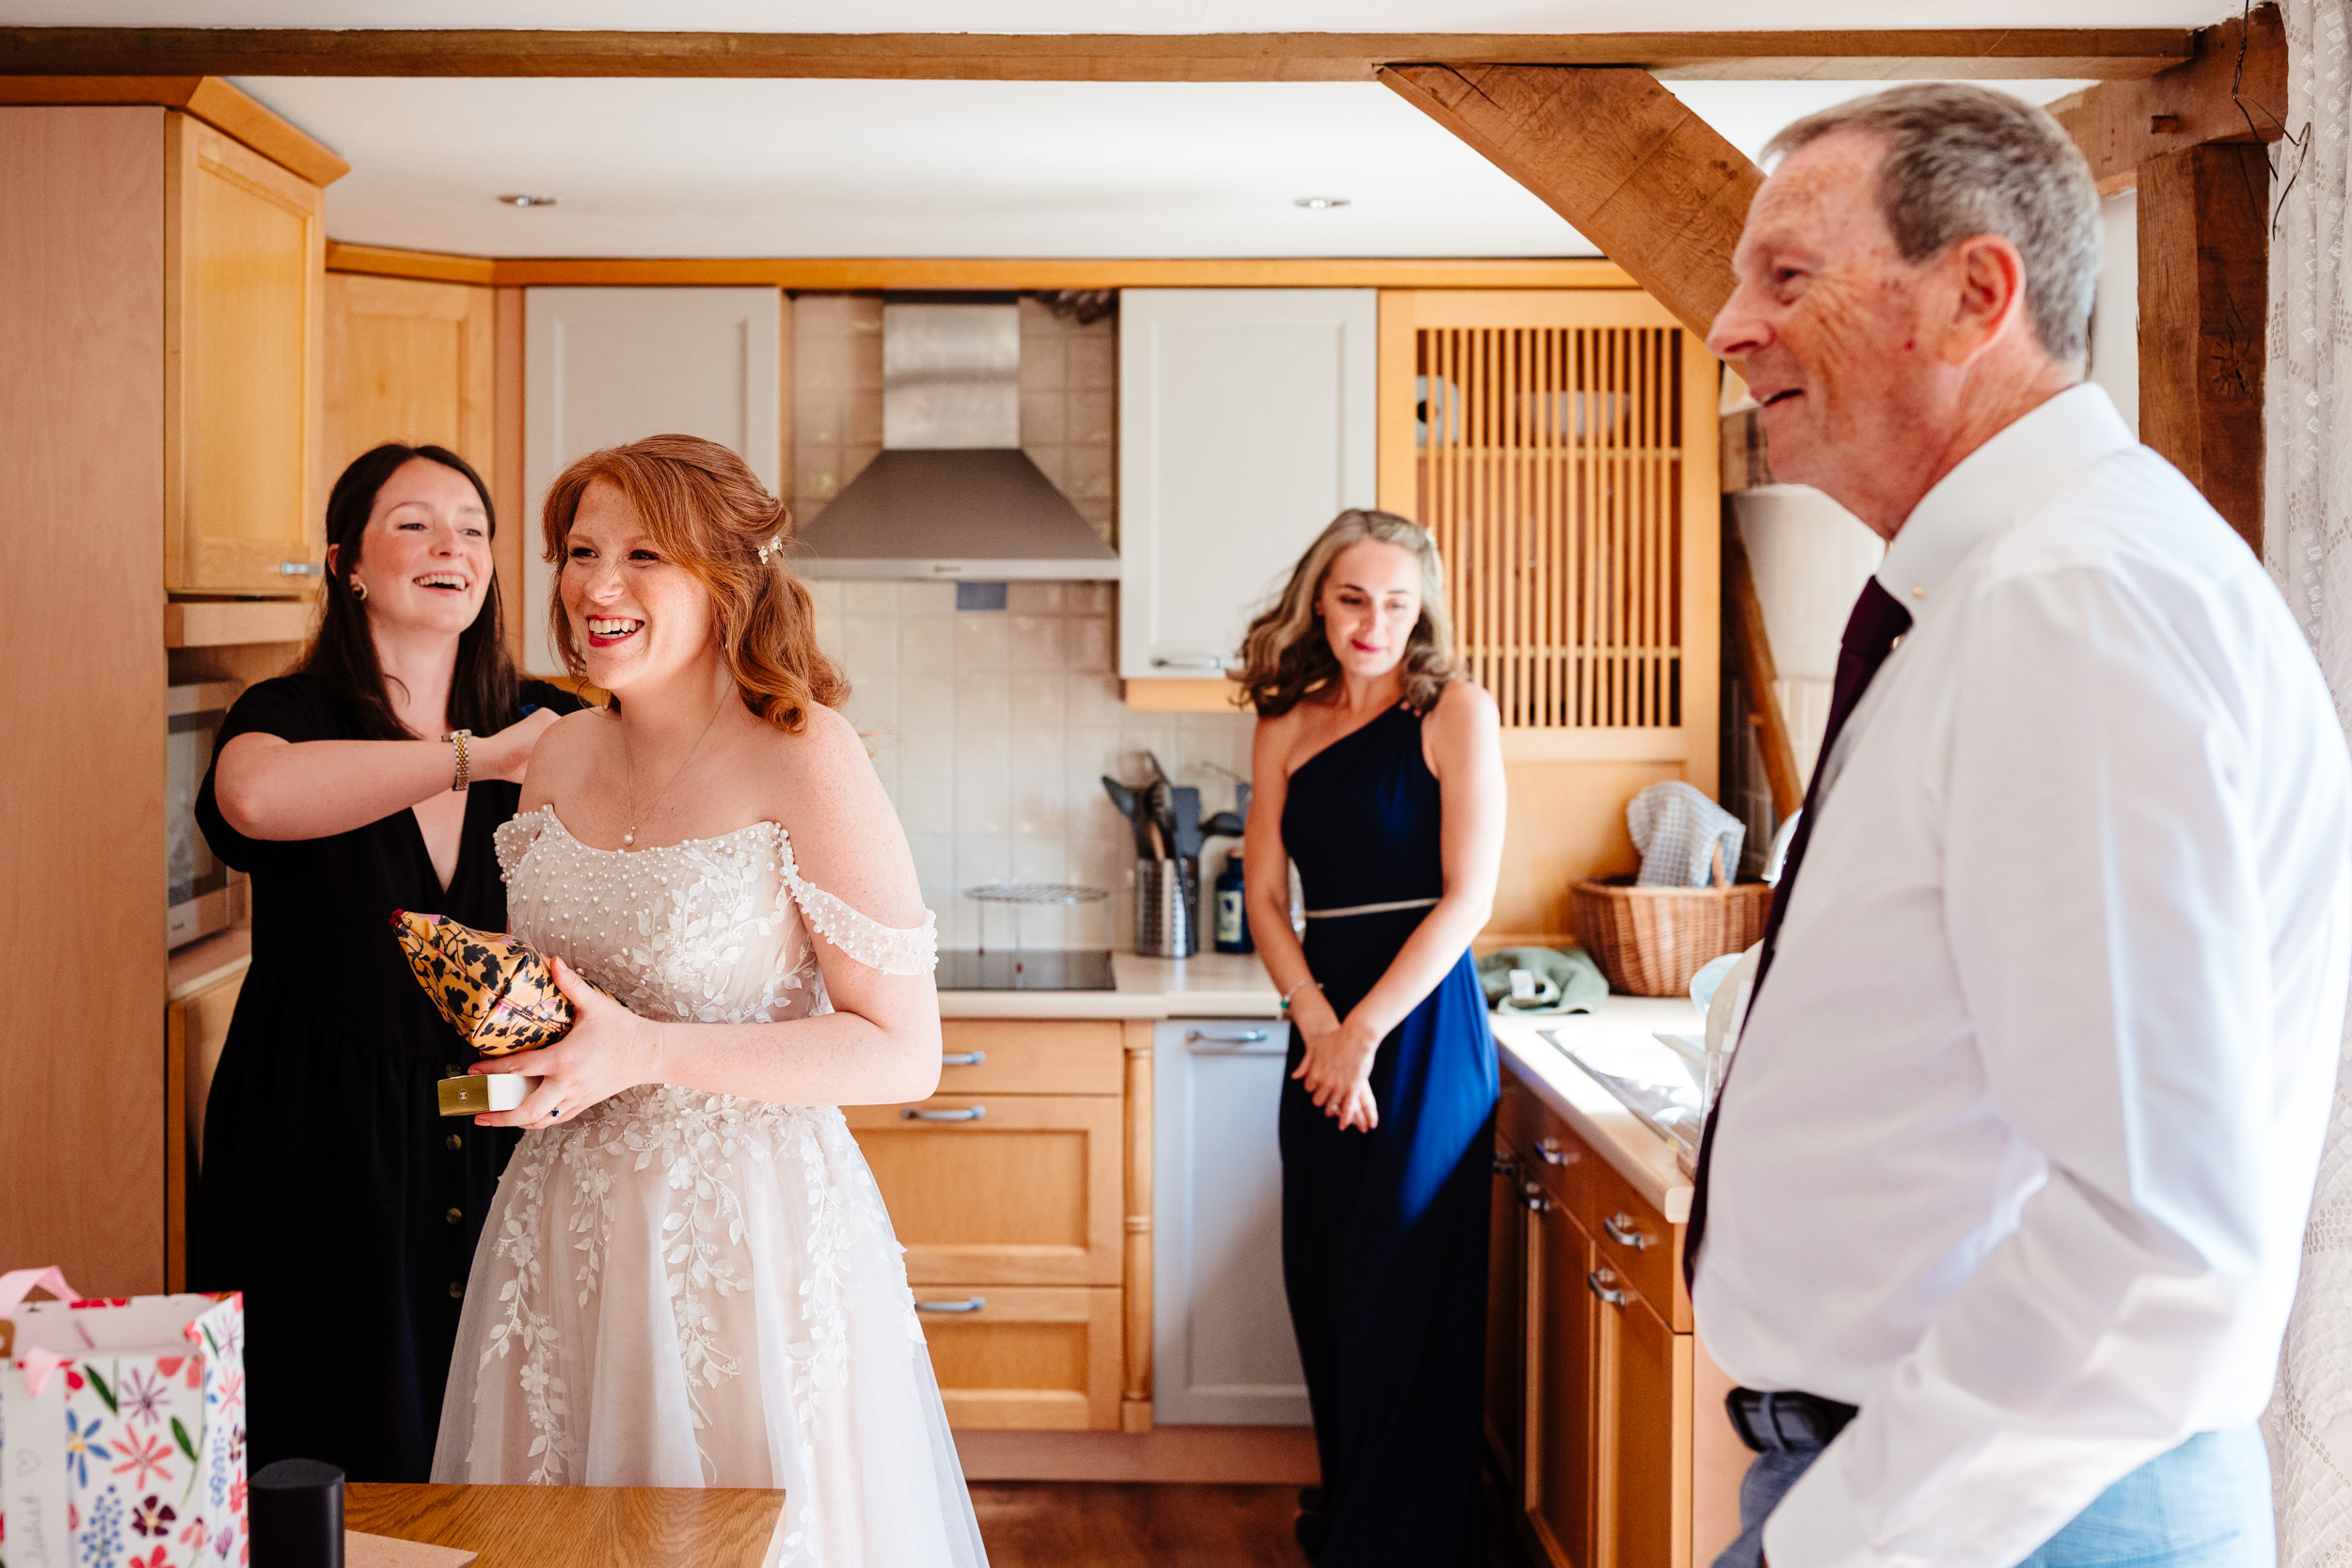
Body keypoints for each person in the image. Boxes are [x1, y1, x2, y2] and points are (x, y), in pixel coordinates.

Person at [1688, 83, 2352, 1568]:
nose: (1730, 329)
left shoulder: (2072, 604)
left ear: (1976, 293)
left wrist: (1836, 1539)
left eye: (1784, 277)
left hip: (2012, 1508)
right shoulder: (2023, 588)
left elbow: (2157, 1237)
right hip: (1985, 1481)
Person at [430, 435, 986, 1567]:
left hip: (746, 1238)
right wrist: (522, 1037)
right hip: (561, 1224)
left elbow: (900, 1051)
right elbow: (579, 1004)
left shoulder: (805, 755)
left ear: (729, 580)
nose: (594, 585)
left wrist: (644, 1050)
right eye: (579, 550)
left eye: (643, 553)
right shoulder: (556, 755)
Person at [195, 443, 581, 1480]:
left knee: (506, 1432)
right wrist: (481, 754)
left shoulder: (562, 718)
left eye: (472, 526)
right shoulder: (288, 715)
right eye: (413, 522)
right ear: (346, 563)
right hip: (317, 1134)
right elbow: (254, 800)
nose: (450, 543)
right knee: (326, 1431)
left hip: (509, 1122)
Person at [1237, 509, 1507, 1565]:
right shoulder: (1284, 722)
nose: (1374, 622)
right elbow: (1264, 893)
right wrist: (1317, 1020)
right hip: (1319, 1021)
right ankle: (1353, 1518)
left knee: (1406, 1287)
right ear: (1320, 597)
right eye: (1354, 597)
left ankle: (1410, 1543)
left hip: (1424, 1023)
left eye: (1397, 602)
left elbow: (1468, 897)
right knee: (1327, 1283)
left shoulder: (1455, 712)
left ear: (1423, 607)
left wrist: (1364, 1032)